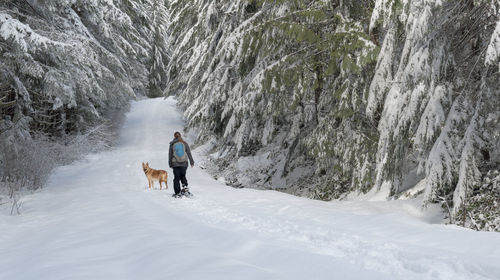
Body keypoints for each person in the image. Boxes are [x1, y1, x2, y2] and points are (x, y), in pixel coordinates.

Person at [168, 131, 194, 197]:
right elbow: (189, 153)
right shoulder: (184, 143)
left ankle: (177, 192)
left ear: (174, 136)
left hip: (175, 164)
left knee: (176, 178)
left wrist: (170, 163)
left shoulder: (172, 144)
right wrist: (191, 162)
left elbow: (170, 155)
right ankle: (185, 187)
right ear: (180, 136)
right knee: (183, 176)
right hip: (184, 163)